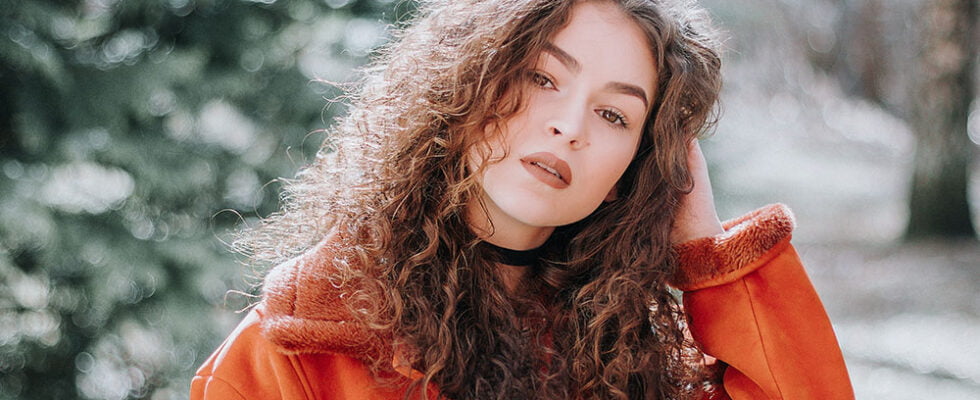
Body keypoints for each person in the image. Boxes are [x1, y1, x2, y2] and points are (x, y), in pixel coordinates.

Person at [191, 0, 853, 399]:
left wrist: (709, 258)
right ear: (465, 80)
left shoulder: (631, 359)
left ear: (638, 168)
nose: (570, 125)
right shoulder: (294, 354)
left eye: (615, 116)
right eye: (542, 77)